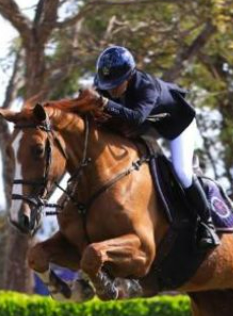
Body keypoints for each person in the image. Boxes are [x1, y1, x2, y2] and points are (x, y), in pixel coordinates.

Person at [92, 45, 220, 250]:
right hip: (151, 126)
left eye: (115, 85)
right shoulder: (104, 85)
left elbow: (135, 118)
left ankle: (208, 223)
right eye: (108, 85)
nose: (111, 90)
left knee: (182, 171)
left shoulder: (147, 87)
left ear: (130, 75)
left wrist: (104, 103)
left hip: (178, 126)